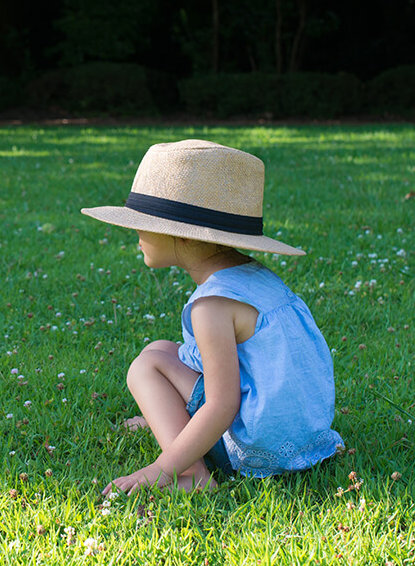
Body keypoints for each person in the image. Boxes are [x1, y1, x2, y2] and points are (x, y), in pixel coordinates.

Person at [81, 139, 343, 493]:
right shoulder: (254, 279)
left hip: (257, 445)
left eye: (143, 223)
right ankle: (170, 419)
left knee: (145, 367)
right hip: (305, 433)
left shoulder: (211, 307)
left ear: (186, 237)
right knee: (159, 348)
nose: (135, 234)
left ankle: (195, 477)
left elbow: (223, 404)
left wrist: (161, 467)